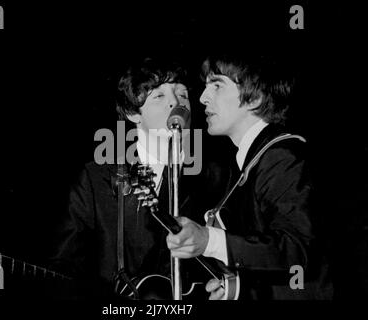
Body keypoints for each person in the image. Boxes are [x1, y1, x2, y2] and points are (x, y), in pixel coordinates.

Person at [166, 51, 333, 300]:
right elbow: (273, 264)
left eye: (217, 85)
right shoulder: (249, 161)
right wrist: (238, 289)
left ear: (253, 98)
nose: (202, 98)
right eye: (205, 87)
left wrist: (209, 240)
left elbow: (296, 251)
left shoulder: (282, 157)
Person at [46, 57, 203, 300]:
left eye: (182, 94)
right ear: (132, 113)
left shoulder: (219, 176)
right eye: (158, 96)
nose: (175, 101)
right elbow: (64, 264)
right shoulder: (96, 178)